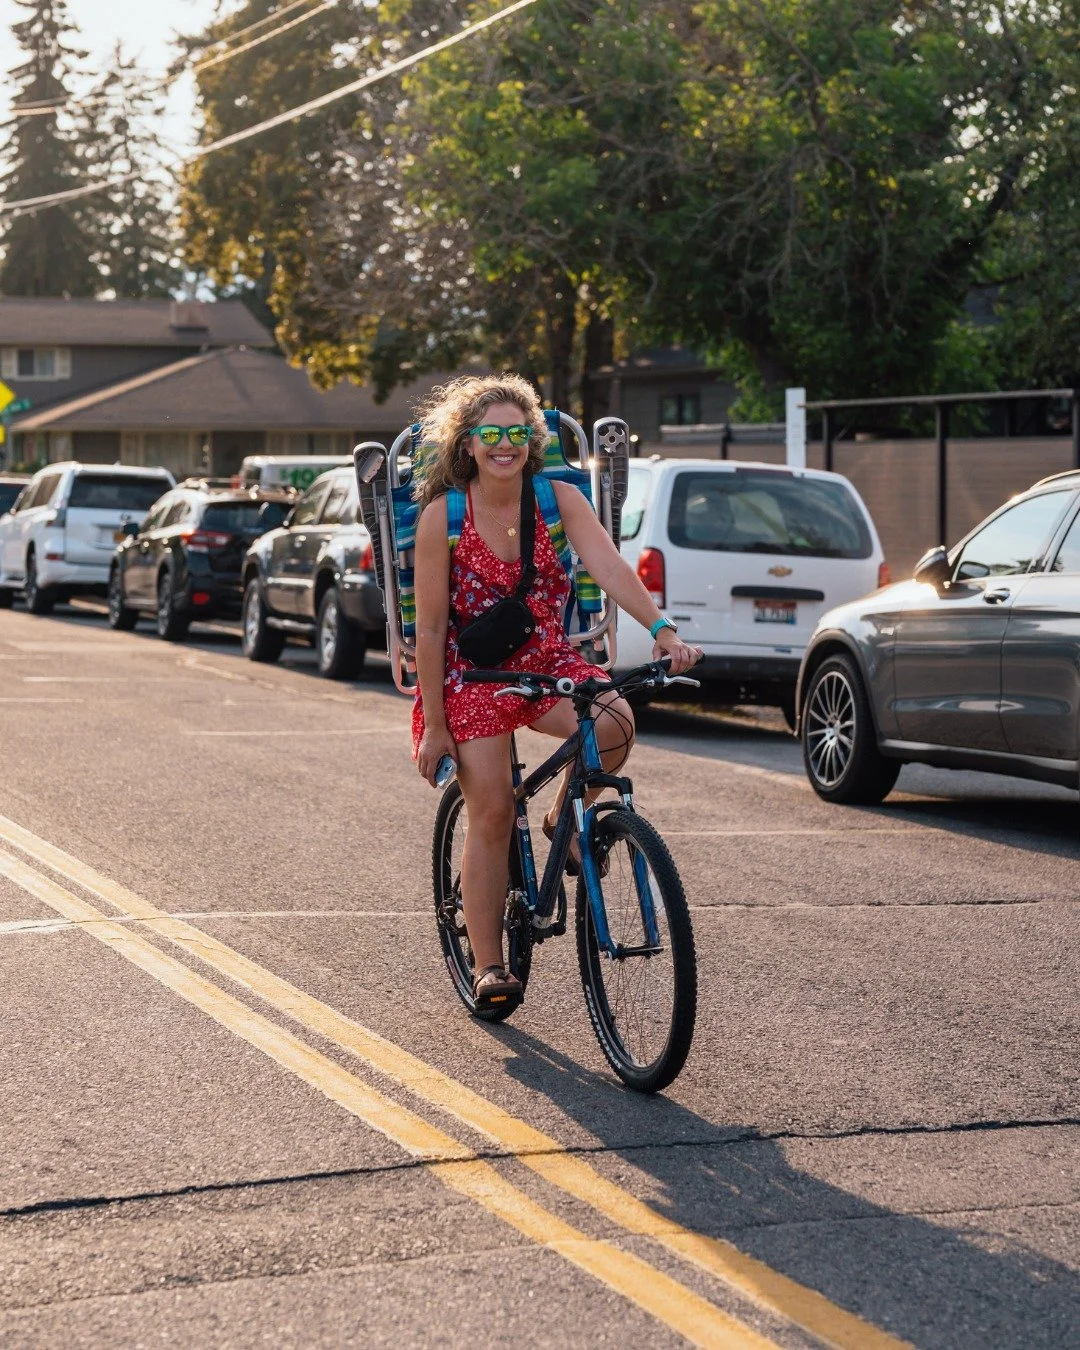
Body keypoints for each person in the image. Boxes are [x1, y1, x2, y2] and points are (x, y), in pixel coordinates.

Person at [411, 374, 702, 1010]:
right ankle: (489, 965)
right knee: (489, 811)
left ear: (532, 441)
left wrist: (662, 629)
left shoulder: (558, 499)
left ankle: (562, 817)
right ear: (468, 445)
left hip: (546, 661)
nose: (504, 445)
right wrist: (436, 723)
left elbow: (610, 567)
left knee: (615, 720)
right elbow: (431, 628)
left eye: (518, 433)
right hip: (470, 676)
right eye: (491, 434)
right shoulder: (445, 516)